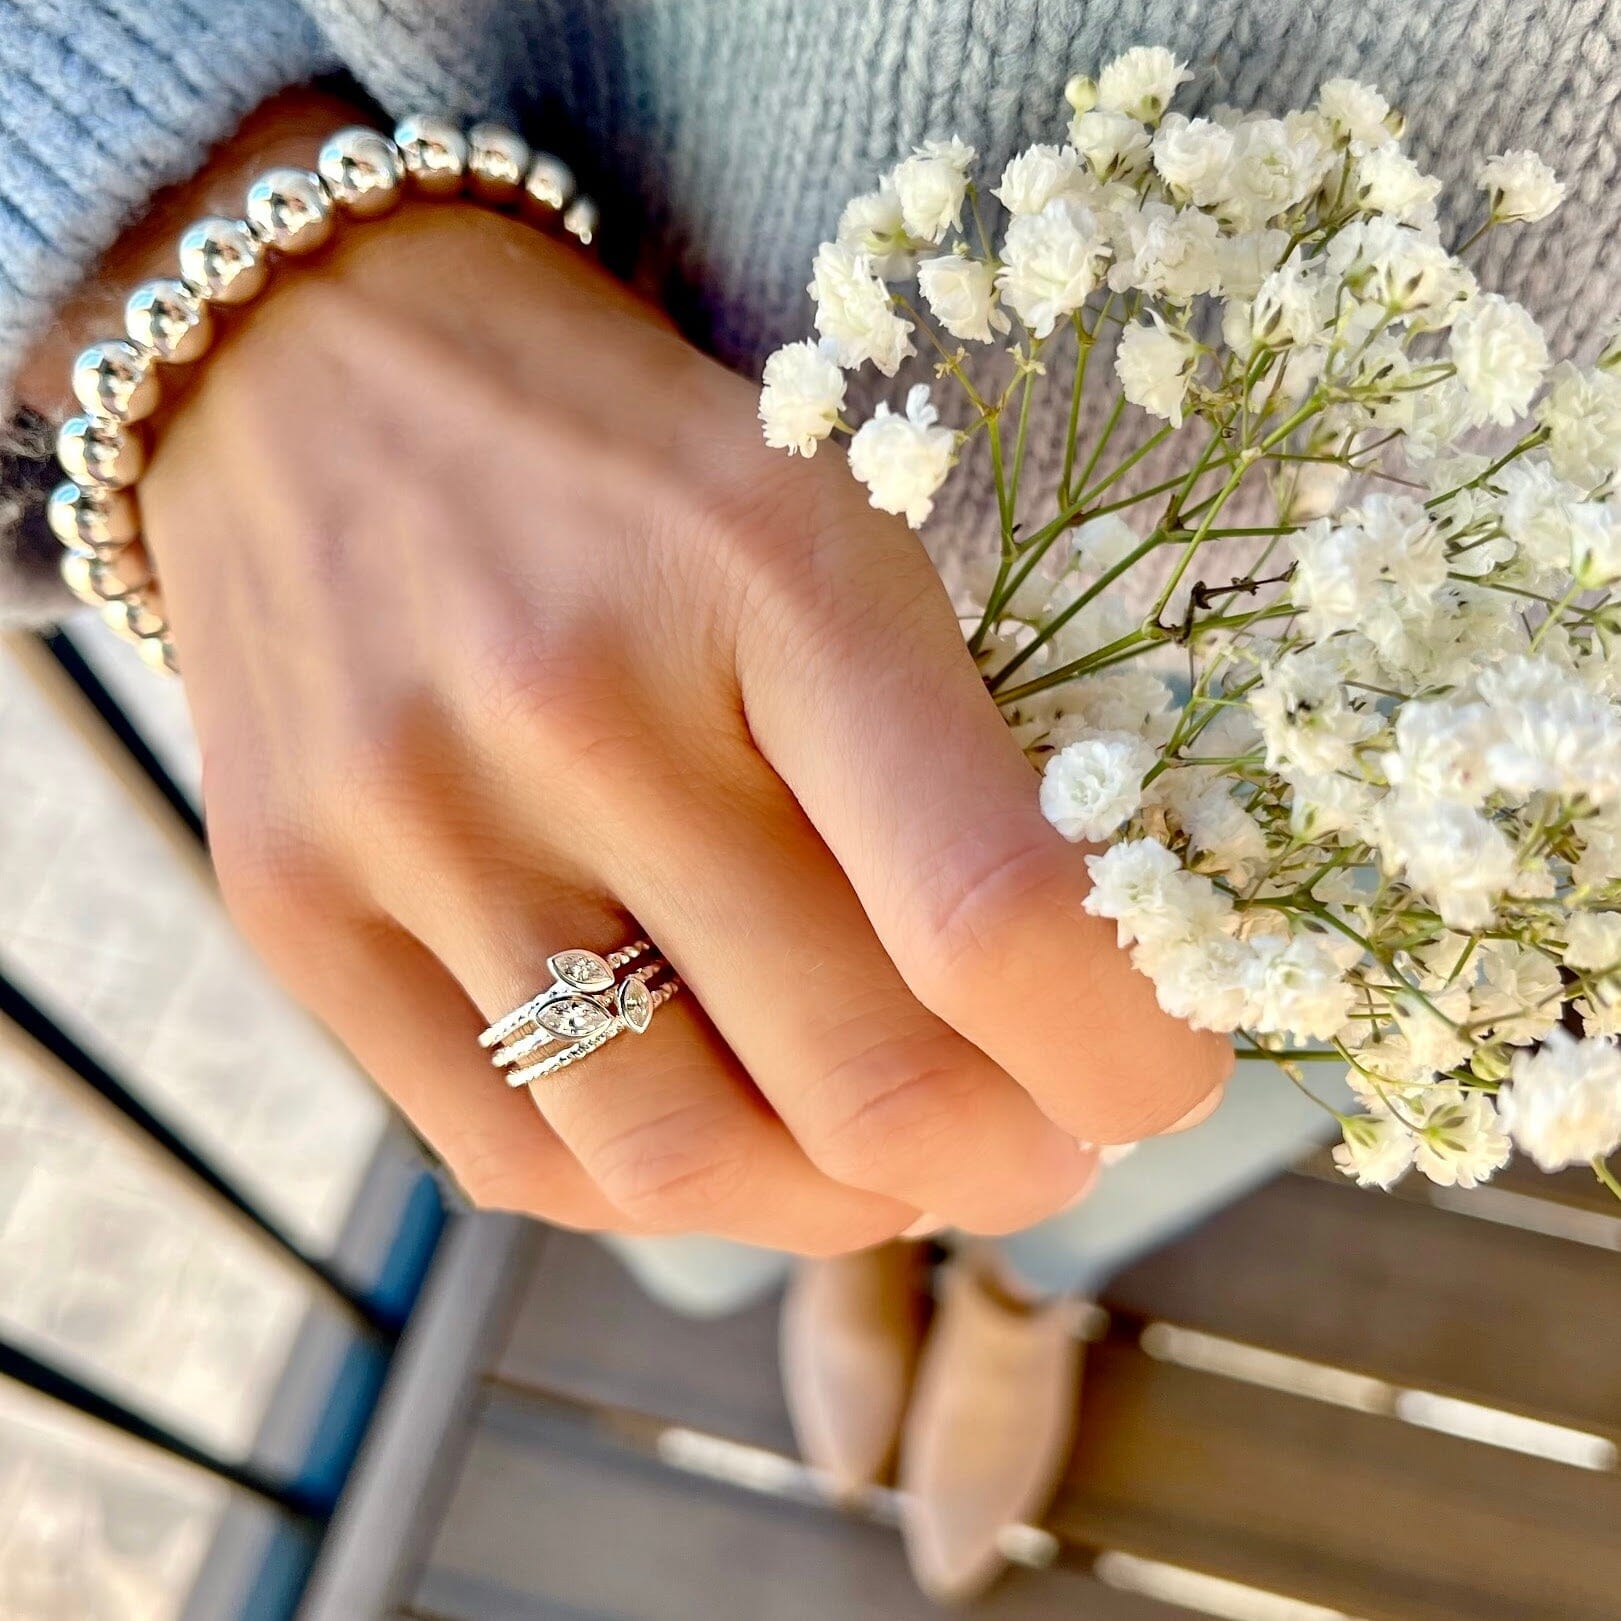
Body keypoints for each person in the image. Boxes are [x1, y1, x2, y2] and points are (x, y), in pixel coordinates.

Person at [0, 1, 1612, 1600]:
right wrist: (173, 238)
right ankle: (864, 1242)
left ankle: (1018, 1282)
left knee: (1163, 1091)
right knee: (718, 1121)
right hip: (616, 481)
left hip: (1484, 700)